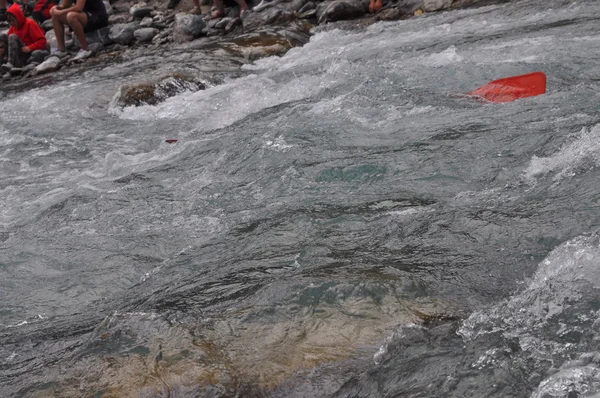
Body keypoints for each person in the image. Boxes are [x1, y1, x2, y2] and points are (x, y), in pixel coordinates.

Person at [0, 4, 47, 69]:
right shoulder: (13, 27)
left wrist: (30, 47)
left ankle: (11, 63)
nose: (11, 23)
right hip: (17, 53)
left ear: (18, 17)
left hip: (26, 53)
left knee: (12, 36)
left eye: (12, 20)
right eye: (9, 21)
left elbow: (42, 41)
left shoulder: (30, 24)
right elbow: (7, 42)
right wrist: (3, 49)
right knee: (3, 36)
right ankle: (3, 62)